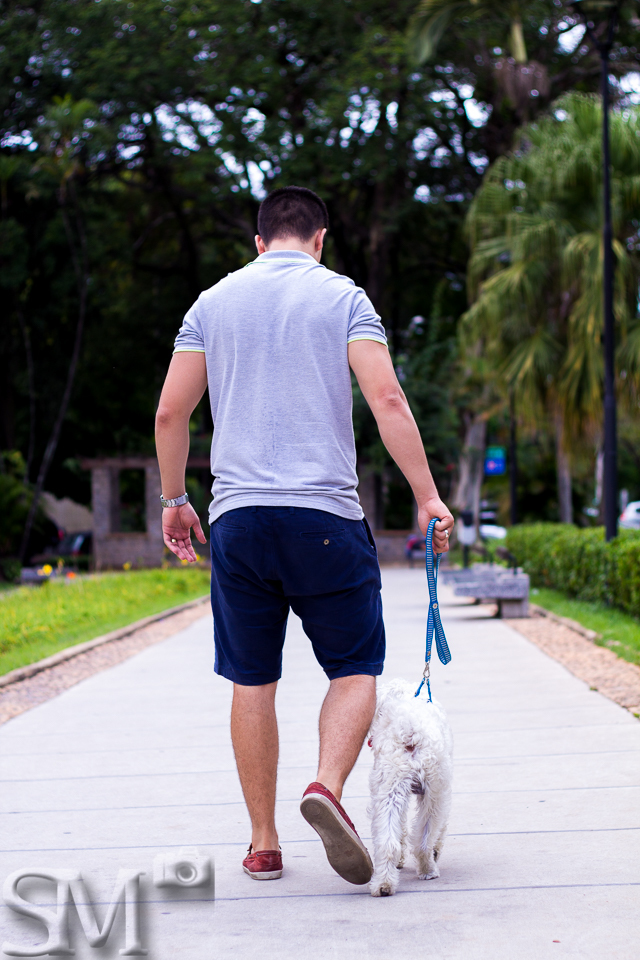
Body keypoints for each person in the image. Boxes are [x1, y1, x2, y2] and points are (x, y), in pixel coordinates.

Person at [155, 186, 454, 887]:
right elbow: (385, 398)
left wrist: (175, 500)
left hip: (238, 520)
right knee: (354, 668)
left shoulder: (213, 301)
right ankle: (325, 785)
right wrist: (427, 495)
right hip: (325, 518)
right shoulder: (344, 297)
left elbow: (172, 412)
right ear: (320, 238)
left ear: (259, 242)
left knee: (252, 679)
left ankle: (263, 842)